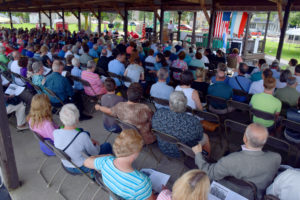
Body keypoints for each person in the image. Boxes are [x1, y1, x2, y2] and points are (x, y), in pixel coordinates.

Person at [192, 123, 281, 199]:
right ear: (264, 142)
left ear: (244, 139)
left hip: (229, 190)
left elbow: (209, 174)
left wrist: (198, 154)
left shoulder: (228, 161)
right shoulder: (276, 158)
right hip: (253, 196)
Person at [84, 129, 155, 200]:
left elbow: (86, 162)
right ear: (135, 153)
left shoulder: (105, 161)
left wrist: (106, 156)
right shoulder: (141, 182)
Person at [54, 104, 112, 174]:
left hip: (66, 164)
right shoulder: (82, 136)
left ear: (61, 119)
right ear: (77, 120)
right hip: (81, 167)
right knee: (107, 146)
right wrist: (96, 144)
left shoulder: (55, 132)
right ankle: (103, 171)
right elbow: (94, 153)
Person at [152, 91, 209, 158]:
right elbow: (199, 137)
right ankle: (206, 161)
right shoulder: (193, 122)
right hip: (181, 152)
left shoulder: (159, 113)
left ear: (170, 104)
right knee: (205, 137)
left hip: (163, 147)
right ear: (185, 105)